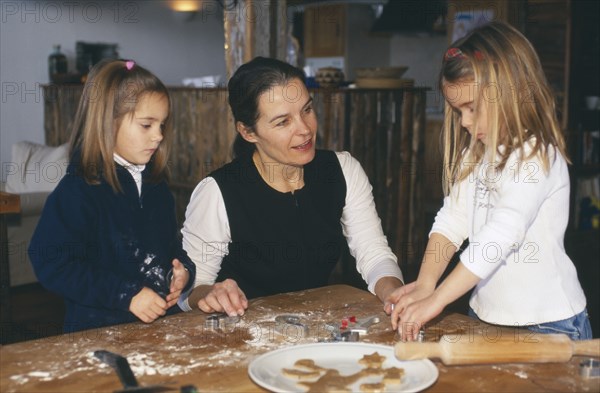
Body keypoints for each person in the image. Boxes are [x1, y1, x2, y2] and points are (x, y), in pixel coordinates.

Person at [390, 21, 592, 341]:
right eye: (458, 112)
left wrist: (439, 299)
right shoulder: (478, 152)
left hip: (548, 324)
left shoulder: (537, 155)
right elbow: (452, 220)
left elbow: (500, 235)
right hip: (485, 316)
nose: (465, 122)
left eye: (472, 108)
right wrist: (426, 284)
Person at [178, 56, 404, 317]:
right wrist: (210, 293)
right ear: (248, 132)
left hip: (315, 325)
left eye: (307, 110)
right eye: (283, 121)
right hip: (241, 332)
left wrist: (393, 294)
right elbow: (190, 289)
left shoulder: (342, 170)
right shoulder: (218, 191)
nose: (305, 129)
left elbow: (373, 254)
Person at [29, 59, 196, 333]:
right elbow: (52, 262)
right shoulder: (80, 190)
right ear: (108, 122)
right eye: (146, 125)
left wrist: (182, 272)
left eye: (162, 125)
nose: (158, 136)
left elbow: (170, 247)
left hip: (161, 329)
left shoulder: (157, 186)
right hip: (98, 333)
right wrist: (125, 294)